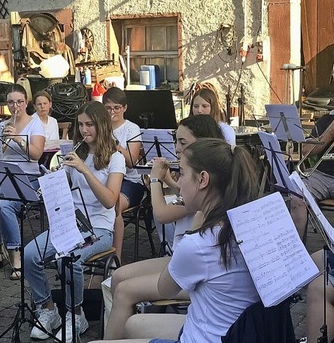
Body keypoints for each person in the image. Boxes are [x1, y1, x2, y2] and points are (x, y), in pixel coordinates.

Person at [102, 139, 260, 342]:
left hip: (207, 337)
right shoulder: (246, 222)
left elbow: (165, 288)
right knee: (133, 325)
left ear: (203, 180)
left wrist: (194, 227)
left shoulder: (199, 242)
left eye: (182, 173)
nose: (179, 181)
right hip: (235, 329)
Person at [104, 115, 224, 340]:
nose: (176, 148)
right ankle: (116, 331)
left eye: (183, 143)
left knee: (123, 291)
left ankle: (114, 336)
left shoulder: (208, 187)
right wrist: (170, 180)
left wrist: (157, 181)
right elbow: (184, 193)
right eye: (176, 141)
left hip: (193, 268)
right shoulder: (205, 178)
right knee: (118, 276)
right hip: (186, 258)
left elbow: (162, 214)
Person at [25, 101, 125, 343]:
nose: (84, 130)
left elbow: (110, 201)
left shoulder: (115, 158)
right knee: (30, 253)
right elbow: (67, 189)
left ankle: (76, 314)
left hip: (100, 227)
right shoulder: (76, 151)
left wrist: (84, 170)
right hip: (71, 223)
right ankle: (48, 309)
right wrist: (53, 180)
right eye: (80, 125)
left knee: (70, 260)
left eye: (89, 124)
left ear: (101, 125)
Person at [0, 84, 46, 280]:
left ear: (26, 102)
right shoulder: (3, 125)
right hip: (3, 175)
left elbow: (36, 155)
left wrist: (18, 139)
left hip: (29, 177)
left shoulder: (35, 124)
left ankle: (16, 254)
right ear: (7, 104)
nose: (16, 107)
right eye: (12, 103)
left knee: (4, 205)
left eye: (20, 102)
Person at [102, 87, 144, 258]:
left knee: (114, 204)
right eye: (108, 108)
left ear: (124, 108)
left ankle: (115, 259)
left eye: (116, 108)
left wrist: (117, 146)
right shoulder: (100, 127)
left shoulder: (132, 128)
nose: (112, 112)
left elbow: (132, 162)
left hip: (130, 182)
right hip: (106, 177)